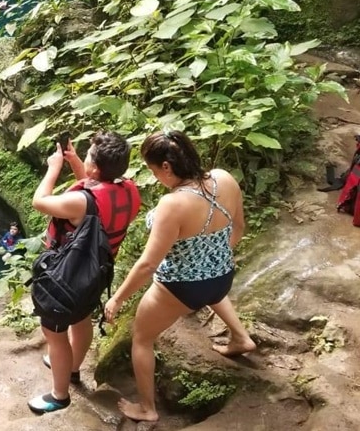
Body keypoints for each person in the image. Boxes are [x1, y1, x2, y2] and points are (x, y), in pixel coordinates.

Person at [104, 131, 256, 424]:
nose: (155, 177)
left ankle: (147, 409)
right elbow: (239, 226)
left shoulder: (172, 205)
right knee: (212, 289)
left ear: (166, 167)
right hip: (222, 278)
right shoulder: (224, 179)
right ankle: (240, 337)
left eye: (153, 171)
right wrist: (214, 260)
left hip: (180, 288)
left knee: (142, 338)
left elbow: (149, 264)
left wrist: (117, 298)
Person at [27, 131, 142, 414]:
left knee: (54, 333)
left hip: (65, 277)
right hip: (96, 271)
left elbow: (40, 201)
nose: (85, 158)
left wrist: (54, 167)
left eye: (88, 156)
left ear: (96, 169)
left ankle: (59, 395)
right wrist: (77, 161)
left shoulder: (79, 202)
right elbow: (96, 196)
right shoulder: (129, 189)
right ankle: (73, 368)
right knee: (81, 320)